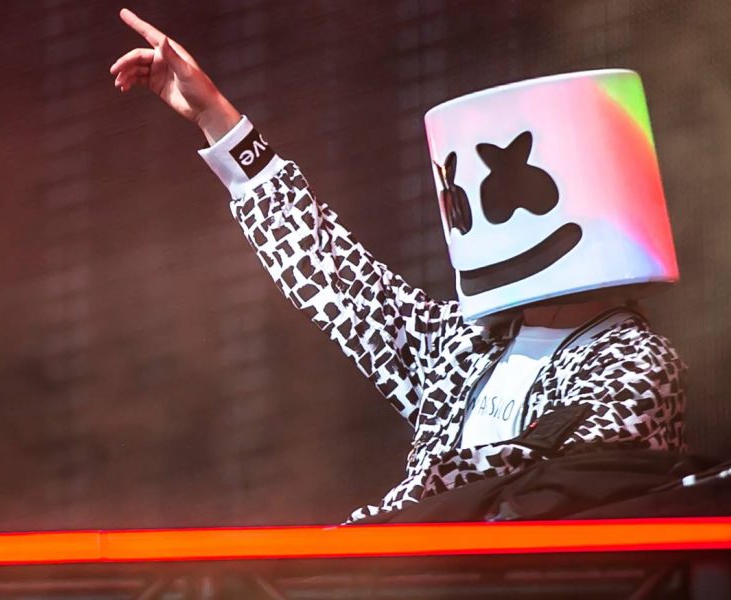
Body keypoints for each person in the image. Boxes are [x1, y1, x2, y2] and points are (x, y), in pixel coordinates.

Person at [110, 8, 687, 521]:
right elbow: (328, 267)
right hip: (411, 571)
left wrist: (388, 525)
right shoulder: (464, 345)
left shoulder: (637, 360)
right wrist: (216, 118)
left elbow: (554, 476)